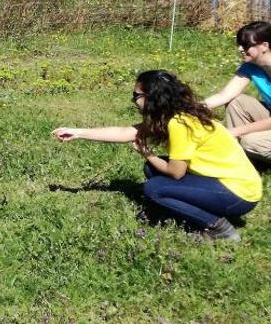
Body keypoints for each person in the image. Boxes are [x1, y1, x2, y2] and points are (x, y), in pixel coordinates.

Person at [52, 70, 261, 241]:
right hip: (232, 183)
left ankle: (219, 229)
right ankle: (195, 214)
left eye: (136, 96)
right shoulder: (178, 114)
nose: (133, 101)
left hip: (239, 195)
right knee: (151, 170)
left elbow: (176, 173)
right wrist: (78, 132)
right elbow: (126, 132)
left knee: (155, 189)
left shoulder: (179, 123)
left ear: (151, 97)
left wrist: (147, 153)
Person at [204, 21, 271, 163]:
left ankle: (246, 149)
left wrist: (235, 132)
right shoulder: (251, 66)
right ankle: (238, 159)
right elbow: (225, 95)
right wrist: (189, 109)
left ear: (264, 46)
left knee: (252, 142)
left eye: (246, 45)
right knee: (236, 101)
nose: (240, 48)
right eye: (239, 44)